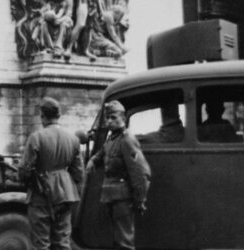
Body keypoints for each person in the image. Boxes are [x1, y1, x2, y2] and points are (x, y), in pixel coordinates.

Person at [19, 97, 84, 250]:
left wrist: (26, 181)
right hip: (65, 194)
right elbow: (79, 173)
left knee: (41, 243)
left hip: (41, 194)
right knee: (62, 242)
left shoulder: (36, 137)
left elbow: (25, 169)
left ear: (42, 115)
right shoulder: (73, 139)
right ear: (59, 115)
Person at [87, 101, 151, 250]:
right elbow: (103, 152)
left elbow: (141, 173)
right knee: (117, 239)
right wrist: (93, 161)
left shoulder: (127, 139)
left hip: (123, 198)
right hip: (112, 196)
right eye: (107, 118)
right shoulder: (112, 138)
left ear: (123, 118)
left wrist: (140, 200)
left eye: (113, 117)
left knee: (124, 242)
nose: (109, 121)